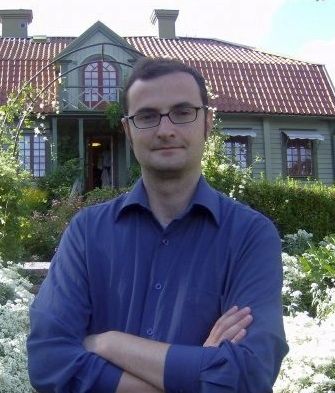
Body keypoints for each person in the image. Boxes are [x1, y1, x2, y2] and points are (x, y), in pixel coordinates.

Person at [27, 57, 288, 393]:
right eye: (147, 116)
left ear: (207, 122)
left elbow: (250, 374)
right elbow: (49, 362)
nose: (166, 130)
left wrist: (109, 343)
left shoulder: (251, 236)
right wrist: (201, 372)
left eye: (183, 112)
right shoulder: (86, 233)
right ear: (128, 130)